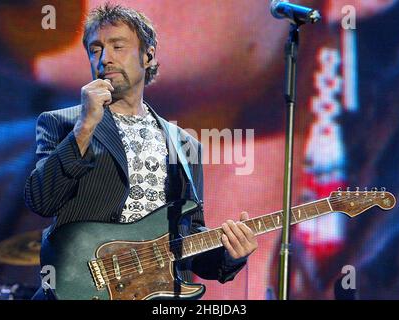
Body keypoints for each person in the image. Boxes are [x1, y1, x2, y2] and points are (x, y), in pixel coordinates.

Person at [24, 3, 257, 300]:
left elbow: (188, 239)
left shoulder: (186, 145)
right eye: (95, 49)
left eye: (117, 46)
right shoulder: (62, 123)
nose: (105, 58)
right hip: (80, 290)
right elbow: (41, 200)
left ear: (148, 56)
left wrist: (232, 255)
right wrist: (84, 128)